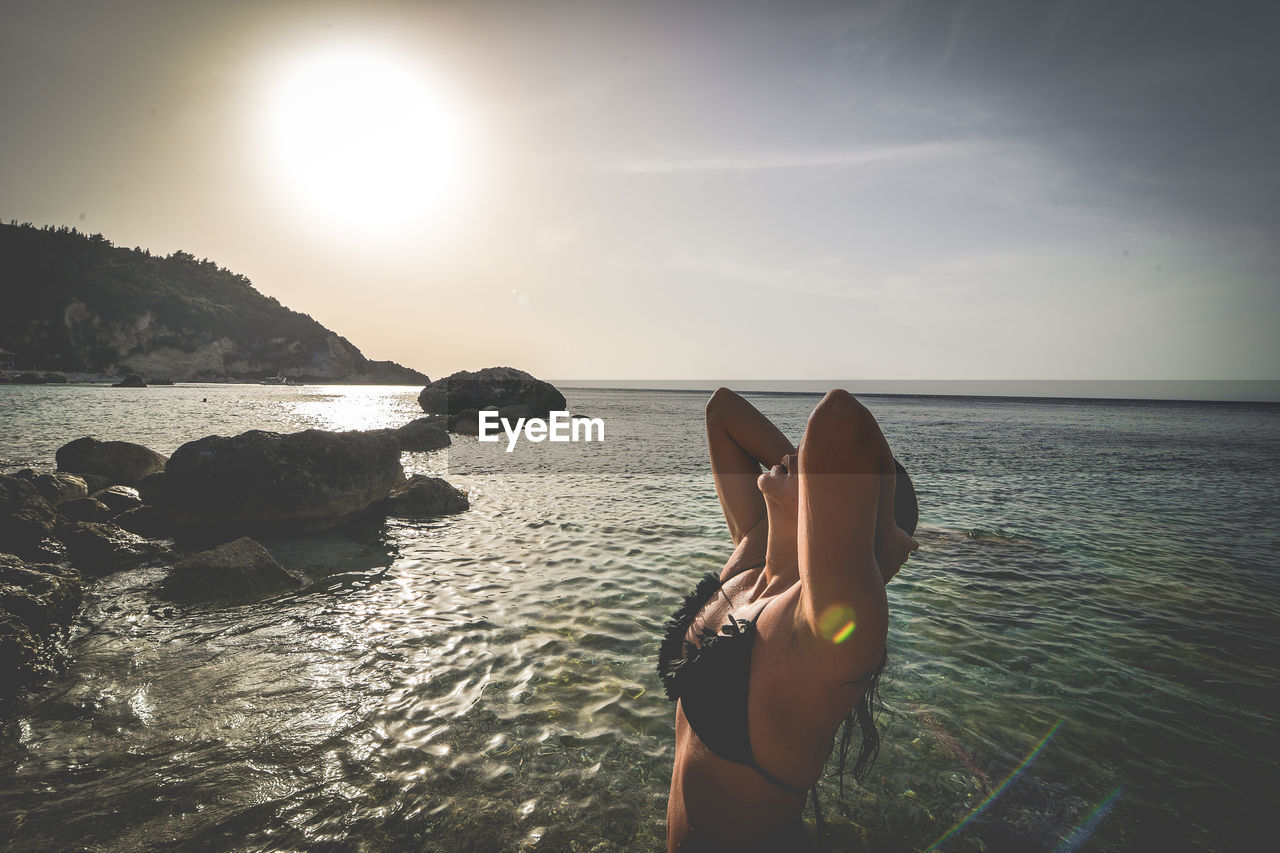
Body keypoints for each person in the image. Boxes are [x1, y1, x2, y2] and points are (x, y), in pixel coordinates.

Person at [658, 388, 919, 851]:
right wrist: (797, 473)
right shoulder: (751, 556)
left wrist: (881, 536)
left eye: (820, 474)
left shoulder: (816, 633)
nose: (799, 455)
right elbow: (722, 410)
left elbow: (839, 418)